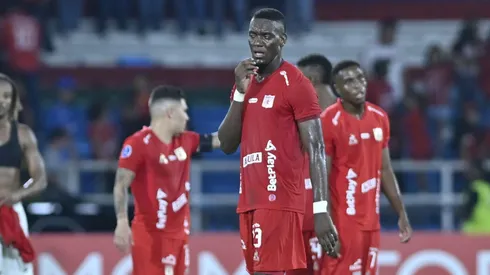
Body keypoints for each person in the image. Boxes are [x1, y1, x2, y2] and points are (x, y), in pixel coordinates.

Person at [218, 8, 339, 275]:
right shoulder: (245, 82)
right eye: (253, 35)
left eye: (266, 36)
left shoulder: (295, 83)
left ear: (282, 40)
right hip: (249, 201)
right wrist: (239, 93)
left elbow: (317, 148)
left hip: (279, 200)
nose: (258, 42)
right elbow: (227, 144)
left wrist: (320, 209)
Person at [112, 85, 220, 274]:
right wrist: (122, 221)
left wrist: (242, 101)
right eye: (184, 111)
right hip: (150, 237)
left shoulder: (187, 140)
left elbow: (222, 140)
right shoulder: (137, 144)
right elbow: (120, 185)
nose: (187, 117)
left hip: (179, 236)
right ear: (170, 112)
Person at [319, 61, 412, 275]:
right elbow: (322, 175)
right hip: (343, 223)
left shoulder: (379, 118)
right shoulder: (330, 121)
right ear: (337, 88)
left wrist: (401, 212)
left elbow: (385, 169)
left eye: (360, 78)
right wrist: (326, 222)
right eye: (349, 81)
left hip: (371, 221)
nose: (358, 85)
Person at [287, 54, 337, 275]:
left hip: (333, 222)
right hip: (299, 222)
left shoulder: (346, 119)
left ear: (314, 78)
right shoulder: (297, 119)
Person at [0, 74, 47, 275]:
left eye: (7, 96)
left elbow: (39, 178)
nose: (2, 101)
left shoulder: (23, 134)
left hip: (11, 212)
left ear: (13, 101)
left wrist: (19, 193)